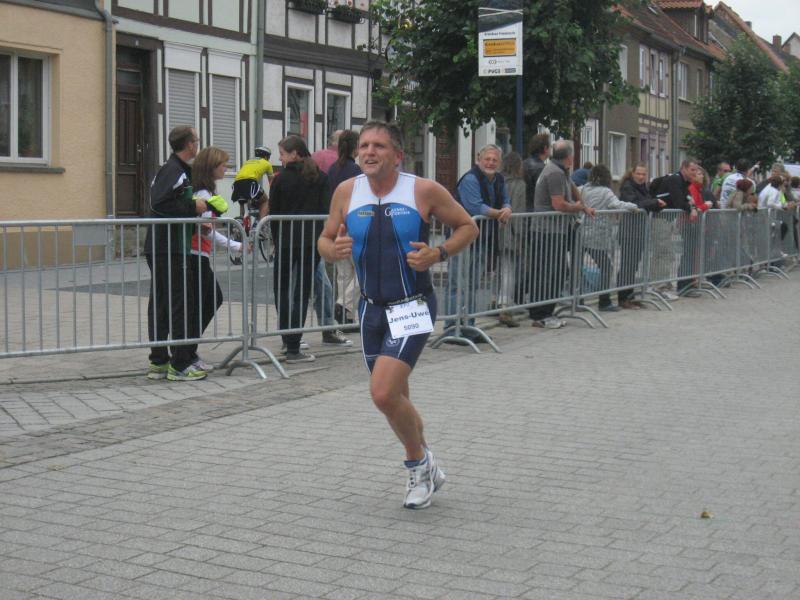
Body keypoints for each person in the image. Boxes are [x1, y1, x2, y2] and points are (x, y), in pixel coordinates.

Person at [317, 121, 478, 509]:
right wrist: (332, 250)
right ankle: (428, 464)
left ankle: (417, 465)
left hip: (412, 305)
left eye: (379, 146)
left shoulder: (422, 189)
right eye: (364, 146)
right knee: (396, 397)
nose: (369, 152)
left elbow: (467, 227)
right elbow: (324, 238)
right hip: (370, 309)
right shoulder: (346, 191)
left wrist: (438, 253)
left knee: (383, 393)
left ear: (398, 155)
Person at [144, 125, 208, 382]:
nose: (198, 144)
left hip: (165, 246)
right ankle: (180, 364)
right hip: (170, 247)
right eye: (196, 140)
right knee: (178, 303)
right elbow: (159, 203)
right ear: (189, 144)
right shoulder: (174, 171)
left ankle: (159, 360)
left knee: (162, 302)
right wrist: (194, 207)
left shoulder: (175, 170)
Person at [269, 135, 331, 363]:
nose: (280, 159)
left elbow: (273, 212)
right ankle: (295, 344)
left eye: (282, 154)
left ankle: (287, 339)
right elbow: (325, 209)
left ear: (294, 153)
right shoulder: (320, 177)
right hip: (310, 241)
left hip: (286, 241)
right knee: (301, 293)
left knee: (283, 290)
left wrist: (276, 240)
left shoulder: (281, 179)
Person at [446, 144, 512, 340]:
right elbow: (475, 207)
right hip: (461, 238)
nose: (490, 163)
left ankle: (469, 326)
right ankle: (453, 328)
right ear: (478, 160)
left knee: (473, 284)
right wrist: (500, 213)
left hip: (482, 238)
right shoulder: (470, 179)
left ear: (499, 163)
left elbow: (506, 199)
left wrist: (507, 208)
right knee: (458, 284)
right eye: (487, 159)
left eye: (494, 160)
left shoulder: (499, 179)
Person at [530, 140, 595, 328]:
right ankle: (541, 314)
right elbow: (558, 204)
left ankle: (546, 312)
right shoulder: (555, 173)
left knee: (558, 271)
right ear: (569, 156)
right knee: (548, 272)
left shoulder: (560, 170)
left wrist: (584, 206)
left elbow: (572, 187)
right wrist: (577, 207)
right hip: (547, 230)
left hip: (555, 230)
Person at [189, 146, 243, 371]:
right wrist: (235, 245)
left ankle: (188, 349)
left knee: (203, 301)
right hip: (195, 253)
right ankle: (187, 350)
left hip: (198, 253)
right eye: (223, 165)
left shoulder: (204, 193)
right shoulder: (203, 195)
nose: (226, 168)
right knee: (210, 299)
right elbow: (206, 229)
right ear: (211, 167)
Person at [578, 164, 638, 312]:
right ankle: (604, 301)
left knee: (577, 268)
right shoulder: (606, 192)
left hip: (579, 233)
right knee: (606, 267)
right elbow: (617, 204)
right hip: (596, 235)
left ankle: (578, 301)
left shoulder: (582, 189)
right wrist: (633, 206)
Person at [617, 163, 666, 308]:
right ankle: (623, 297)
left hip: (639, 231)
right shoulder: (627, 187)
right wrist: (654, 203)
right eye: (638, 174)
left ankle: (630, 296)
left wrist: (657, 205)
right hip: (629, 232)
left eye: (643, 174)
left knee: (633, 266)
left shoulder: (643, 187)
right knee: (627, 265)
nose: (641, 177)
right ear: (632, 174)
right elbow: (635, 204)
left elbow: (647, 203)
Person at [327, 130, 362, 327]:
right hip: (353, 224)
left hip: (336, 224)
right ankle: (344, 304)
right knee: (363, 271)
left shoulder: (333, 168)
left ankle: (345, 317)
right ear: (354, 147)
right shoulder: (356, 171)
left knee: (344, 273)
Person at [650, 158, 701, 295]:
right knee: (663, 252)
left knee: (667, 253)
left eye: (696, 170)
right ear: (683, 168)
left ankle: (662, 284)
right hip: (660, 219)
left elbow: (688, 199)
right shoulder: (675, 180)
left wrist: (692, 207)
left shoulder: (684, 182)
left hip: (667, 219)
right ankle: (658, 286)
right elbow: (679, 201)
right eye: (692, 170)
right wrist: (691, 209)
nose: (694, 173)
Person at [497, 151, 526, 327]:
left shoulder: (498, 180)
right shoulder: (519, 184)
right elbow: (519, 212)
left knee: (501, 268)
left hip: (496, 230)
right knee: (509, 269)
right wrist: (521, 236)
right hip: (511, 232)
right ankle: (505, 305)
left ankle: (498, 299)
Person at [232, 146, 273, 220]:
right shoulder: (267, 164)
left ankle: (242, 222)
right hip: (250, 182)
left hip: (236, 184)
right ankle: (261, 223)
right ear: (266, 156)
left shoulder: (247, 162)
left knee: (244, 202)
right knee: (265, 201)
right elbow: (272, 183)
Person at [523, 132, 551, 211]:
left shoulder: (523, 163)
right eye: (550, 147)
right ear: (545, 148)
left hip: (523, 209)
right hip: (535, 211)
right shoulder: (542, 168)